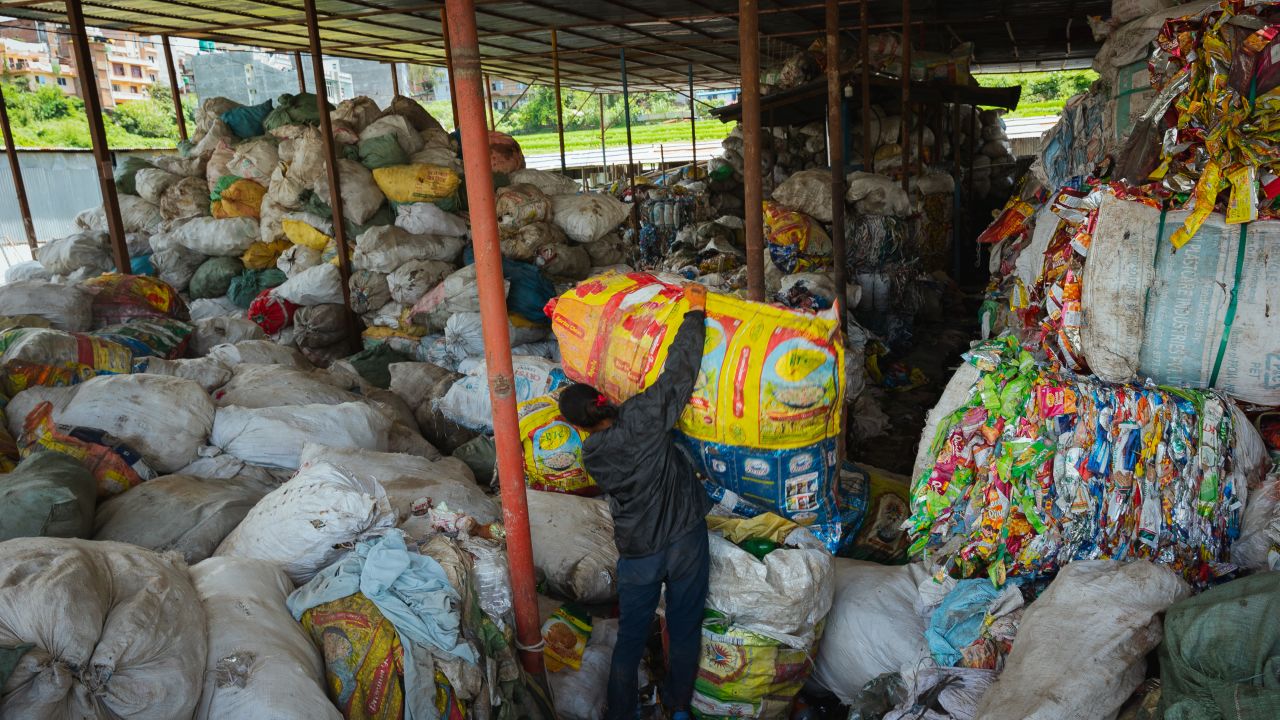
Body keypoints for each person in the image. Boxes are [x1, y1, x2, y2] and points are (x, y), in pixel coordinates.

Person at [557, 282, 713, 720]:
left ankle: (623, 711)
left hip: (640, 553)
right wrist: (695, 313)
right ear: (604, 399)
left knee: (629, 637)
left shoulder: (593, 456)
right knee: (684, 627)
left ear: (581, 426)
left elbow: (620, 427)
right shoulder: (643, 417)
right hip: (684, 538)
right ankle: (679, 706)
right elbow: (680, 372)